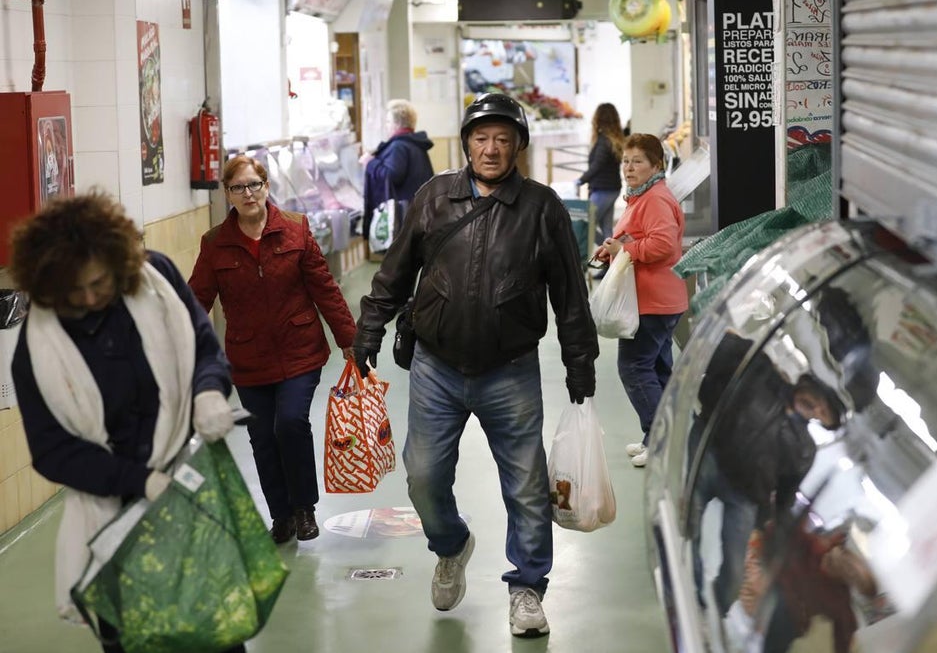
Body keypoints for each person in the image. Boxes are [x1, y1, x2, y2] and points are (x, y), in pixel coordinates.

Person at [352, 92, 598, 638]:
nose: (491, 149)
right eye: (482, 138)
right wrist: (370, 326)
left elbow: (570, 294)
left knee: (527, 485)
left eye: (503, 139)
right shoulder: (435, 197)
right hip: (436, 368)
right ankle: (452, 545)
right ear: (466, 143)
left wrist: (581, 363)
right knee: (422, 476)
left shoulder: (541, 208)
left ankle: (528, 587)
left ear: (518, 148)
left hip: (509, 368)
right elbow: (395, 270)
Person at [8, 192, 239, 651]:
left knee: (217, 629)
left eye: (99, 283)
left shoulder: (157, 281)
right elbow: (52, 451)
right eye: (75, 292)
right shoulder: (37, 352)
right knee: (135, 639)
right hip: (112, 516)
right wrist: (140, 481)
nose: (91, 298)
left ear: (119, 262)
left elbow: (201, 344)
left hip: (187, 487)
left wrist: (209, 388)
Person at [189, 155, 357, 544]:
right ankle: (280, 515)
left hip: (300, 349)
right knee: (262, 437)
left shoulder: (296, 230)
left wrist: (349, 339)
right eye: (238, 188)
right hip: (248, 359)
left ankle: (304, 508)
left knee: (291, 423)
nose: (248, 194)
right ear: (227, 194)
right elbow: (196, 300)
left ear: (267, 186)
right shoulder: (215, 243)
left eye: (254, 185)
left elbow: (324, 288)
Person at [592, 132, 688, 467]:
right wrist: (611, 252)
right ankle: (661, 437)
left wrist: (625, 251)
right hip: (657, 298)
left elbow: (664, 245)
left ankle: (660, 441)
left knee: (634, 367)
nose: (629, 168)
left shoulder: (655, 199)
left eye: (638, 162)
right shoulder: (641, 196)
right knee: (659, 370)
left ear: (656, 165)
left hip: (654, 301)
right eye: (626, 161)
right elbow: (638, 238)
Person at [362, 98, 435, 242]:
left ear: (397, 124)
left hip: (401, 217)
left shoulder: (398, 147)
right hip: (416, 213)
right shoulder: (415, 144)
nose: (386, 126)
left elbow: (391, 175)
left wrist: (370, 163)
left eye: (388, 122)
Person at [574, 102, 624, 253]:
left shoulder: (603, 141)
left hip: (603, 190)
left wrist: (580, 180)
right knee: (606, 227)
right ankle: (611, 261)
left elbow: (597, 166)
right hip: (611, 188)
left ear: (598, 119)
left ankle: (611, 256)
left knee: (585, 225)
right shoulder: (614, 139)